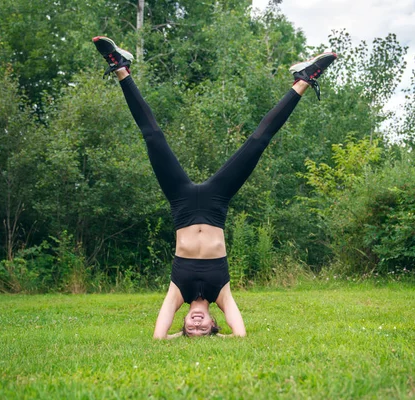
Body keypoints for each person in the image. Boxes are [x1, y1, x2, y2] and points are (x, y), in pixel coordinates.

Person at [92, 36, 337, 339]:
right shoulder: (222, 294)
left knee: (153, 136)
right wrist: (221, 338)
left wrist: (176, 337)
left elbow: (157, 338)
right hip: (215, 202)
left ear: (183, 323)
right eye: (202, 328)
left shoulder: (176, 293)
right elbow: (241, 335)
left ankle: (120, 67)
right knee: (258, 142)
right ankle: (304, 79)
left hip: (181, 202)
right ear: (212, 323)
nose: (196, 324)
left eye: (190, 328)